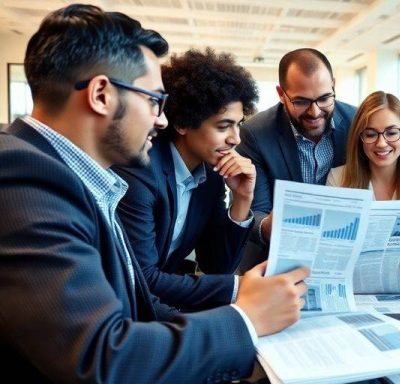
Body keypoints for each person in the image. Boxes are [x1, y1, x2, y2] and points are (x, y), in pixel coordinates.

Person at [0, 5, 308, 381]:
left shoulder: (80, 176)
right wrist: (244, 320)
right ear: (101, 95)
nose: (160, 118)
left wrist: (246, 332)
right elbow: (101, 358)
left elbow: (136, 304)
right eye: (153, 101)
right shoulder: (22, 175)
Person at [114, 48, 258, 311]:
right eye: (223, 126)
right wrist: (239, 288)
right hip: (124, 307)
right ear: (182, 123)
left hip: (161, 303)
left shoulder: (212, 178)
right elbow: (142, 278)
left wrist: (242, 198)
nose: (235, 139)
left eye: (239, 125)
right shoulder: (141, 170)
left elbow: (216, 266)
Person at [237, 48, 357, 269]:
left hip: (340, 254)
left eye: (324, 98)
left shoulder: (357, 123)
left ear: (333, 85)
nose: (315, 112)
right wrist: (269, 225)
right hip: (273, 257)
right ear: (281, 94)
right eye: (301, 102)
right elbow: (257, 209)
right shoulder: (256, 133)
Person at [326, 91, 400, 286]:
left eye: (391, 132)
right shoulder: (338, 178)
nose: (381, 143)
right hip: (353, 287)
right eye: (370, 134)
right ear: (360, 138)